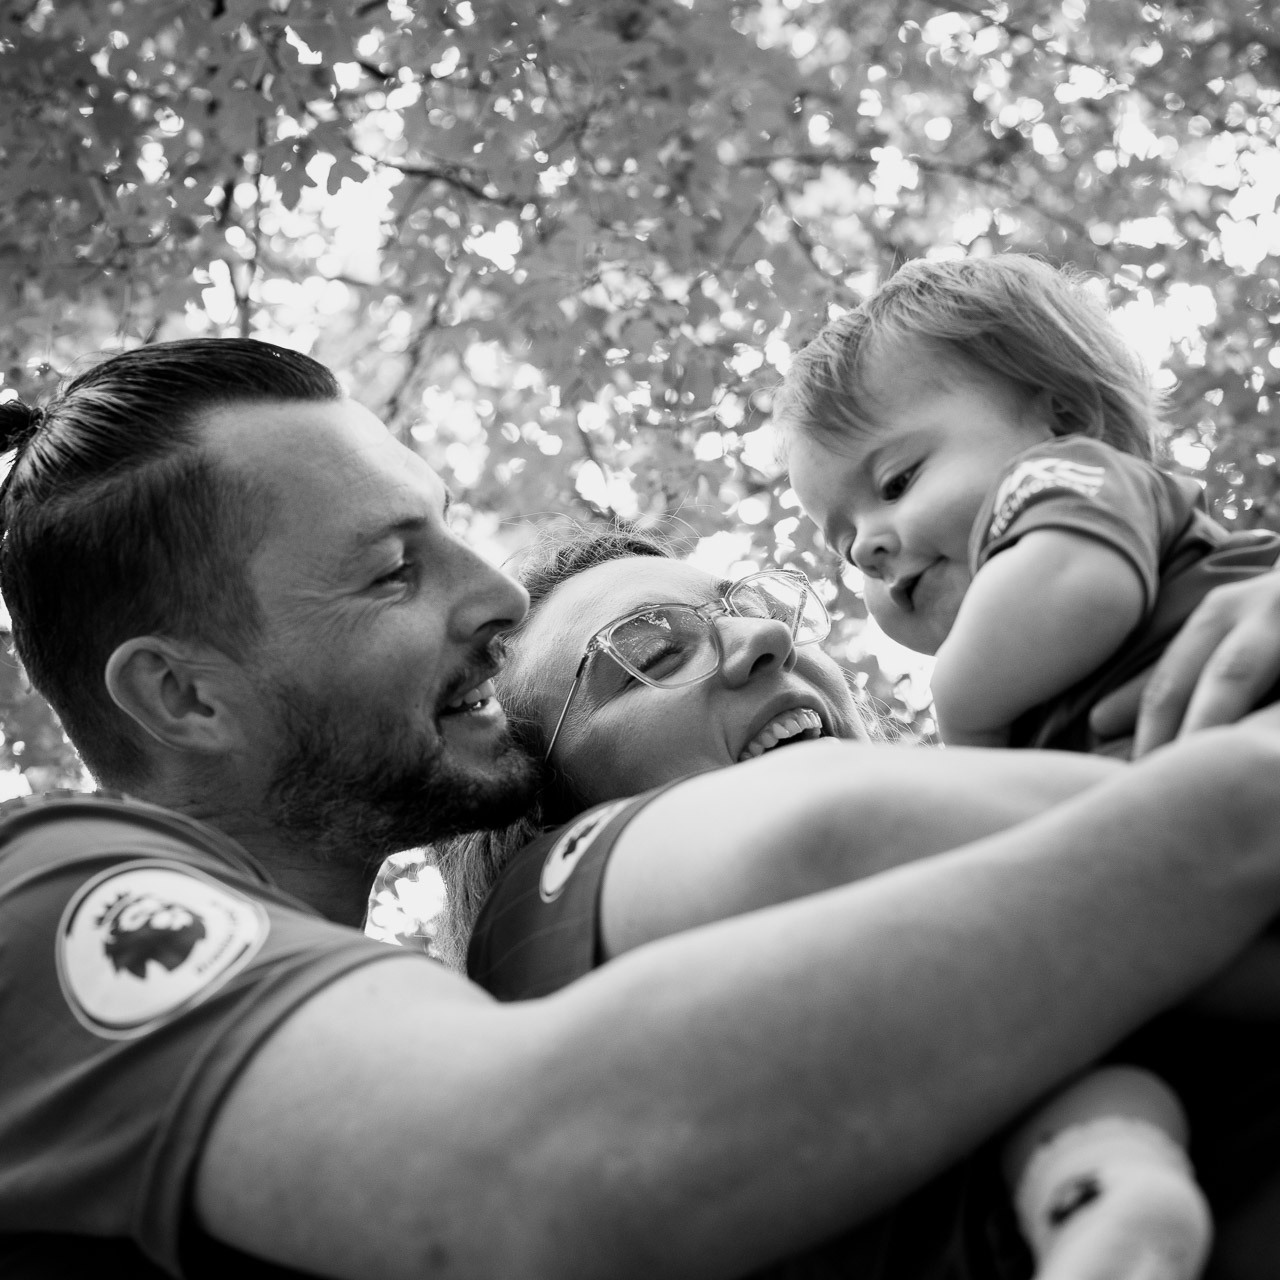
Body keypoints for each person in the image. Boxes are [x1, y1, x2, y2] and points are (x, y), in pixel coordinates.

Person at [5, 340, 1280, 1280]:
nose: (493, 589)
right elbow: (520, 1167)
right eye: (394, 566)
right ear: (182, 693)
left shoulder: (403, 1016)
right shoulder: (50, 898)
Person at [443, 523, 1260, 1278]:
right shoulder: (531, 926)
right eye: (651, 656)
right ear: (541, 810)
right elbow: (829, 823)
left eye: (749, 606)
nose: (764, 637)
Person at [776, 254, 1280, 753]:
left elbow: (1081, 585)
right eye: (846, 547)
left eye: (896, 483)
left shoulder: (1067, 471)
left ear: (1061, 418)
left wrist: (961, 706)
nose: (865, 548)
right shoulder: (1024, 695)